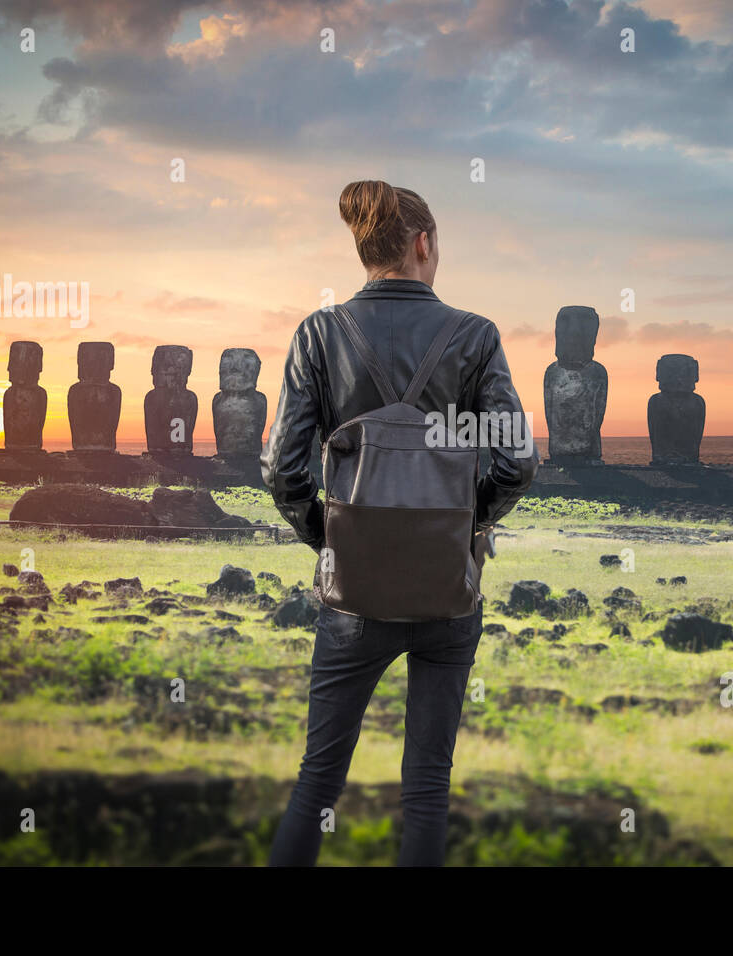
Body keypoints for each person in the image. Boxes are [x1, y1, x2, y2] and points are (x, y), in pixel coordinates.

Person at [262, 180, 538, 866]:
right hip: (448, 594)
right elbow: (517, 461)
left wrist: (331, 537)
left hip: (352, 596)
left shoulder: (320, 334)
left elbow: (282, 470)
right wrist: (466, 528)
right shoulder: (474, 336)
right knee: (426, 790)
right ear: (423, 244)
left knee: (317, 783)